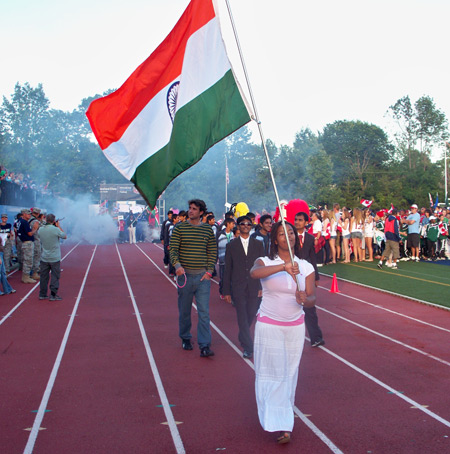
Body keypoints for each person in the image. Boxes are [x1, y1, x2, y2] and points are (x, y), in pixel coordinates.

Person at [250, 221, 315, 444]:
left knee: (288, 376)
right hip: (269, 325)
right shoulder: (266, 262)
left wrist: (305, 299)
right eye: (281, 233)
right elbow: (254, 273)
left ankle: (284, 424)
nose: (288, 236)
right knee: (270, 374)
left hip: (295, 327)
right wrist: (283, 267)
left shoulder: (305, 266)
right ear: (275, 239)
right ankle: (274, 419)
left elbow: (312, 297)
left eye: (290, 232)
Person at [170, 199, 217, 357]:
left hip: (202, 277)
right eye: (189, 208)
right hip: (185, 277)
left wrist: (209, 271)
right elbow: (173, 250)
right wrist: (177, 266)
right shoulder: (179, 228)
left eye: (194, 209)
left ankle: (204, 345)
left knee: (204, 312)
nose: (190, 211)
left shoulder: (207, 230)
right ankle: (185, 337)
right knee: (184, 311)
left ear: (201, 212)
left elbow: (212, 251)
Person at [223, 215, 265, 358]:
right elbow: (227, 269)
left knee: (251, 313)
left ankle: (243, 336)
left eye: (248, 223)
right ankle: (248, 346)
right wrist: (226, 291)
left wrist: (262, 286)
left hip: (254, 286)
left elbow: (261, 267)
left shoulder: (258, 245)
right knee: (242, 316)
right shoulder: (231, 245)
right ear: (238, 226)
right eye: (243, 223)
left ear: (251, 226)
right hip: (238, 287)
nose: (246, 225)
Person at [294, 212, 325, 347]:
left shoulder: (311, 238)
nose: (297, 222)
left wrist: (316, 277)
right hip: (292, 273)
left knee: (309, 306)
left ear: (306, 222)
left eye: (300, 220)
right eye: (296, 220)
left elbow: (313, 258)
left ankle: (316, 337)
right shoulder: (290, 237)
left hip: (306, 275)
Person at [38, 214, 67, 301]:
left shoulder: (40, 229)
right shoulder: (55, 229)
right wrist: (58, 226)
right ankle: (53, 295)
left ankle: (42, 294)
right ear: (54, 221)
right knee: (55, 276)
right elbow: (64, 236)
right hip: (54, 257)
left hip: (44, 257)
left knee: (43, 277)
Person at [17, 209, 39, 283]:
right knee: (28, 260)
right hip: (27, 243)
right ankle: (26, 277)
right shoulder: (24, 222)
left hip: (25, 242)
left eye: (30, 214)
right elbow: (29, 233)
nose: (29, 215)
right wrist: (34, 229)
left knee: (27, 260)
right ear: (23, 214)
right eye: (28, 214)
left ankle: (27, 276)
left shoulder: (19, 221)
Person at [216, 218, 235, 298]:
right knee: (223, 276)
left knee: (231, 276)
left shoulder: (233, 234)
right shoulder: (220, 234)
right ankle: (222, 291)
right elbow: (215, 245)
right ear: (227, 224)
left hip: (232, 259)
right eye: (232, 224)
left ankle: (229, 292)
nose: (233, 225)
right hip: (222, 259)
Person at [29, 207, 42, 280]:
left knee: (32, 257)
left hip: (31, 240)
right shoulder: (35, 221)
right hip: (36, 240)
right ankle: (34, 273)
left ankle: (31, 272)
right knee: (36, 256)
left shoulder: (28, 220)